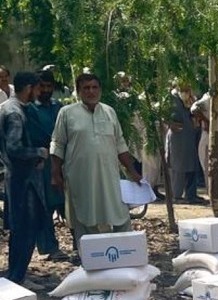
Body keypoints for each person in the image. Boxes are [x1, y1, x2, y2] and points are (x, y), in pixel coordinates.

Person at [50, 72, 141, 247]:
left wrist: (133, 171)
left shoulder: (109, 112)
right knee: (85, 217)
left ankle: (125, 255)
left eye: (94, 87)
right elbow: (58, 144)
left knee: (120, 214)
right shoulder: (67, 113)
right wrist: (55, 174)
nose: (91, 92)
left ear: (100, 90)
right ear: (78, 91)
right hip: (81, 177)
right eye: (86, 88)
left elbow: (120, 144)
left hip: (110, 176)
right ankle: (91, 260)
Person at [1, 72, 48, 287]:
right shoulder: (14, 112)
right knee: (25, 229)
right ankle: (17, 277)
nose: (39, 93)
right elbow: (14, 147)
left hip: (20, 178)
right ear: (29, 87)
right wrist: (39, 152)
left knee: (22, 228)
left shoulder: (14, 109)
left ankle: (17, 275)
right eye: (37, 88)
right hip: (23, 180)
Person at [25, 69, 64, 258]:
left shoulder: (59, 107)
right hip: (42, 162)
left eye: (49, 86)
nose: (46, 90)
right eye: (42, 86)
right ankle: (49, 247)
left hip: (62, 160)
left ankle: (80, 244)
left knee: (67, 203)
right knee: (45, 206)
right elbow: (35, 135)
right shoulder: (29, 109)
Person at [192, 89, 218, 202]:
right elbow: (194, 109)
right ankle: (214, 194)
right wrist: (206, 121)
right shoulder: (207, 98)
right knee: (211, 164)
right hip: (210, 134)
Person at [167, 80, 200, 202]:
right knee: (178, 166)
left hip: (190, 136)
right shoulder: (171, 98)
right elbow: (165, 116)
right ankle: (176, 195)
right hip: (177, 138)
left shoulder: (191, 98)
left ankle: (191, 195)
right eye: (184, 88)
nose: (187, 91)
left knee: (192, 165)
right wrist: (171, 124)